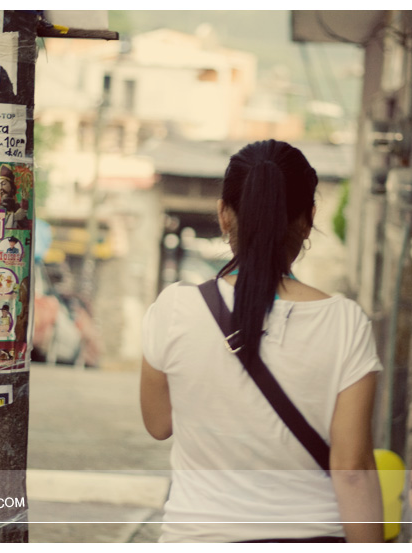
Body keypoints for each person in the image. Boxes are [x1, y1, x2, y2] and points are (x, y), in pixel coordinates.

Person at [140, 139, 384, 543]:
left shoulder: (174, 309)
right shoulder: (345, 323)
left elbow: (159, 423)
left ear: (223, 214)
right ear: (308, 220)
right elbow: (352, 471)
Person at [0, 164, 30, 230]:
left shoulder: (17, 207)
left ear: (12, 186)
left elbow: (25, 228)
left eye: (3, 184)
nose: (0, 189)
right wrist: (14, 217)